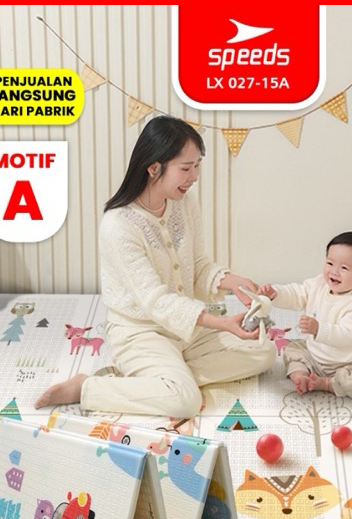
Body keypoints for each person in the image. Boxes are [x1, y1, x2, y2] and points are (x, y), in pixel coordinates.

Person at [35, 116, 275, 417]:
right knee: (185, 402)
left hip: (184, 330)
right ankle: (88, 388)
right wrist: (221, 323)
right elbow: (155, 300)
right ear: (153, 168)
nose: (194, 176)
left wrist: (231, 281)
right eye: (185, 168)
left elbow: (197, 265)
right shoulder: (119, 225)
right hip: (140, 333)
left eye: (197, 165)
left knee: (264, 351)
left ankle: (159, 379)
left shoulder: (184, 203)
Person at [258, 232, 352, 399]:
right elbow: (297, 294)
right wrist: (276, 294)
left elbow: (348, 335)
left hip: (350, 361)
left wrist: (319, 329)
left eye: (344, 268)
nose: (334, 272)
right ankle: (301, 375)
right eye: (330, 263)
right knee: (292, 349)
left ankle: (327, 384)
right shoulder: (319, 284)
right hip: (315, 355)